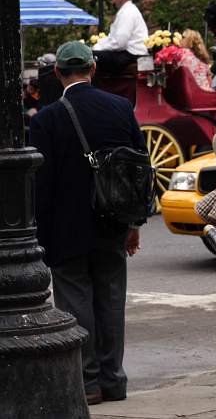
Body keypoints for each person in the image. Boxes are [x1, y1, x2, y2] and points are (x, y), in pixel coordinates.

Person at [29, 41, 145, 406]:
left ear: (60, 73)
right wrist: (134, 223)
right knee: (111, 302)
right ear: (93, 68)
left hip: (66, 229)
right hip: (112, 222)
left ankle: (88, 380)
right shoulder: (121, 108)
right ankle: (114, 380)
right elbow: (140, 170)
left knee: (75, 303)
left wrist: (40, 236)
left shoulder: (46, 119)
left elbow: (40, 185)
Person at [92, 0, 149, 73]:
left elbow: (119, 43)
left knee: (89, 58)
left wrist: (98, 48)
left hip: (132, 55)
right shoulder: (126, 11)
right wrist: (98, 46)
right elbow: (113, 38)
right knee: (92, 55)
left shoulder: (128, 12)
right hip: (128, 53)